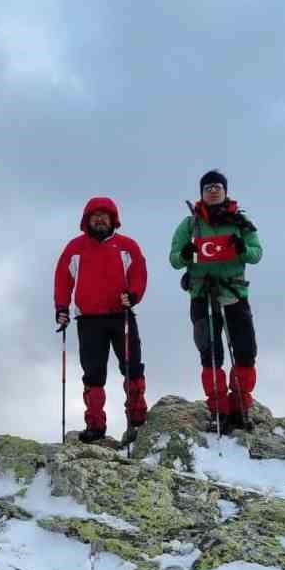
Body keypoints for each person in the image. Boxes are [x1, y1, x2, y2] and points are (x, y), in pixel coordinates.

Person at [168, 171, 263, 429]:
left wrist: (243, 248)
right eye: (208, 187)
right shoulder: (189, 225)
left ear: (225, 191)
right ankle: (218, 410)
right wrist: (186, 254)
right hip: (202, 294)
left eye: (217, 187)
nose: (213, 191)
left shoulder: (241, 221)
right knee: (210, 353)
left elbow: (257, 253)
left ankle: (241, 406)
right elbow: (175, 258)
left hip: (234, 294)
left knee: (244, 351)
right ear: (201, 193)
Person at [53, 197, 148, 443]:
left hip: (121, 314)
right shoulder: (75, 248)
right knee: (93, 373)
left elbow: (138, 273)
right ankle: (95, 424)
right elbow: (63, 278)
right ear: (87, 220)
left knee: (132, 365)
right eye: (95, 215)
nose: (100, 219)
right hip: (89, 320)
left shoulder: (127, 246)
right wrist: (62, 307)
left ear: (113, 219)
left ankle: (137, 414)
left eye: (105, 215)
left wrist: (133, 294)